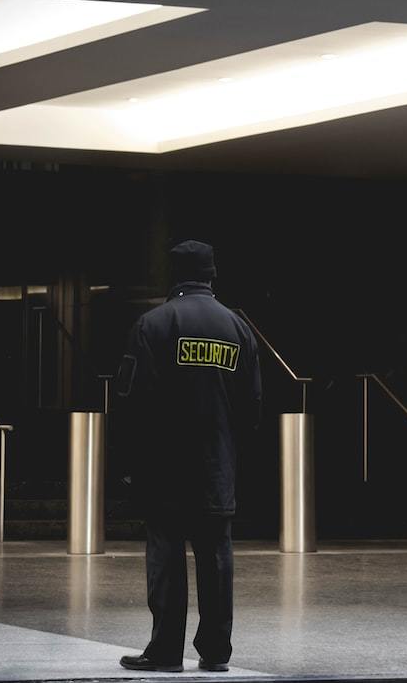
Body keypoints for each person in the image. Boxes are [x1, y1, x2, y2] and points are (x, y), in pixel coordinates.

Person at [116, 240, 261, 673]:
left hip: (165, 470)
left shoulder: (154, 324)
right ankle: (216, 652)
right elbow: (252, 409)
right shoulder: (238, 328)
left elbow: (131, 403)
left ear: (174, 275)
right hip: (217, 467)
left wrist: (129, 464)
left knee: (166, 557)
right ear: (212, 274)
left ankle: (165, 651)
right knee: (217, 557)